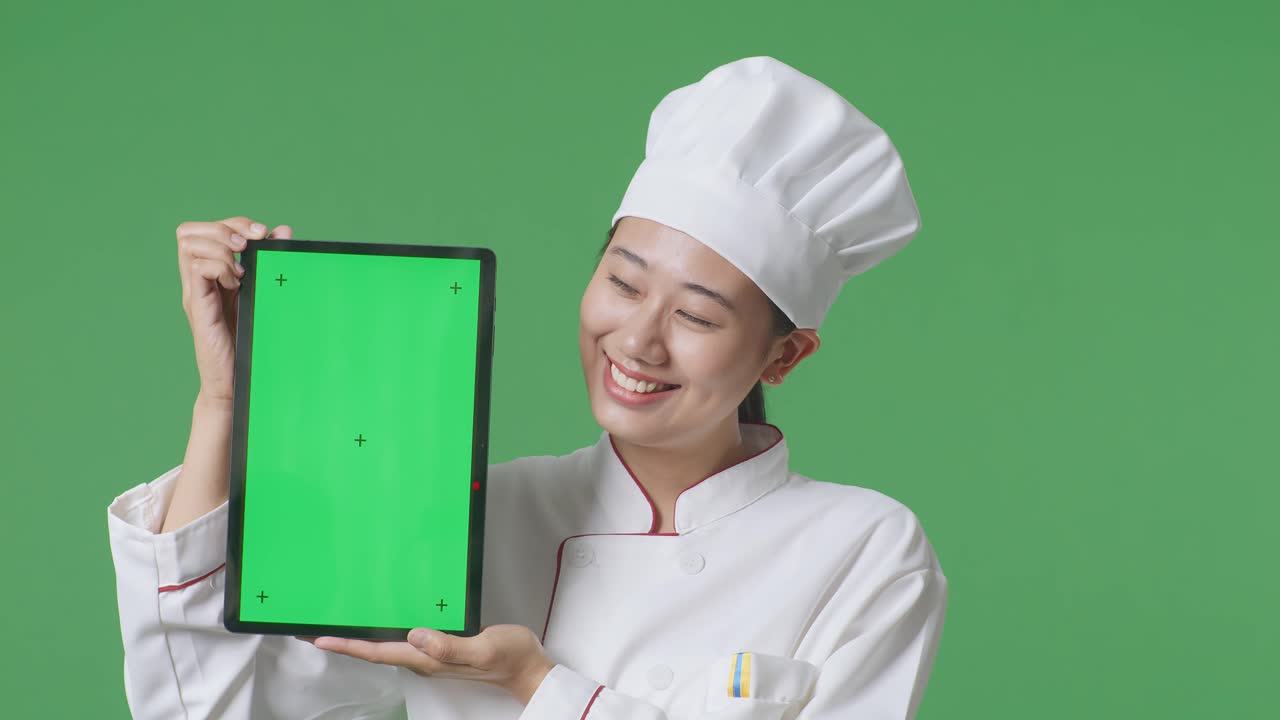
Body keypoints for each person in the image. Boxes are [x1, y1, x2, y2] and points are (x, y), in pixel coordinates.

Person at [108, 55, 947, 719]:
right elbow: (211, 713)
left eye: (696, 316)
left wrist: (538, 686)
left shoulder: (864, 550)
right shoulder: (462, 520)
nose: (637, 340)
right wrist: (223, 402)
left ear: (785, 355)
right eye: (622, 283)